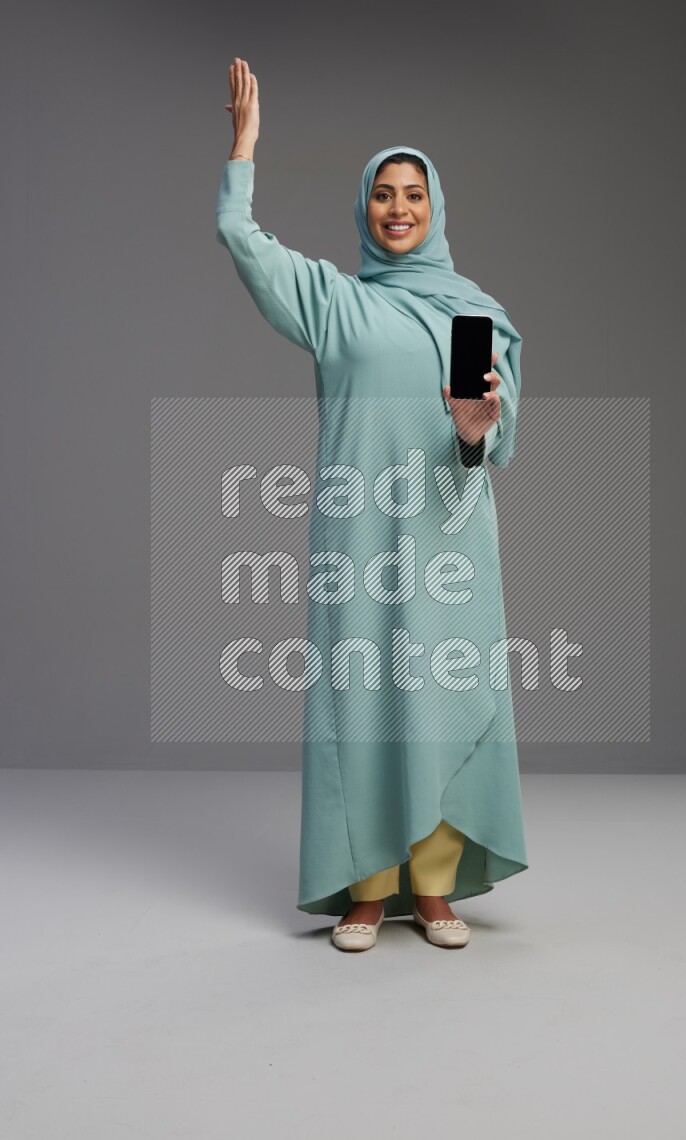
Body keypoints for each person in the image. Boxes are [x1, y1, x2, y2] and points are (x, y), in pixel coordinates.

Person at [217, 57, 528, 951]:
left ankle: (432, 890)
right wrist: (244, 147)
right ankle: (365, 889)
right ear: (365, 209)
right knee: (361, 703)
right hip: (358, 539)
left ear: (436, 213)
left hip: (447, 539)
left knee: (434, 699)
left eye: (414, 196)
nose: (398, 208)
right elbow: (241, 237)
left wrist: (473, 427)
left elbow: (485, 449)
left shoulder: (471, 317)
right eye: (384, 194)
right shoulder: (333, 303)